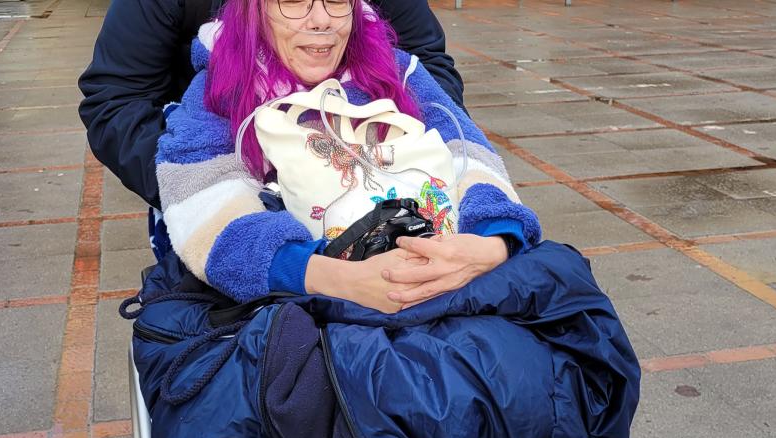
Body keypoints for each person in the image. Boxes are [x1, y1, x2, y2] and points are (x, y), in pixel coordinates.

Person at [155, 0, 542, 314]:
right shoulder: (220, 89)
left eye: (337, 1)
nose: (321, 19)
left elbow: (472, 154)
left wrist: (491, 243)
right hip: (311, 312)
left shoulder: (399, 72)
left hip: (455, 282)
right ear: (255, 9)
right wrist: (332, 277)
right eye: (294, 1)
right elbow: (201, 203)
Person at [78, 0, 465, 214]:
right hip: (222, 170)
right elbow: (116, 101)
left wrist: (406, 160)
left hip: (373, 181)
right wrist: (207, 186)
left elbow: (427, 65)